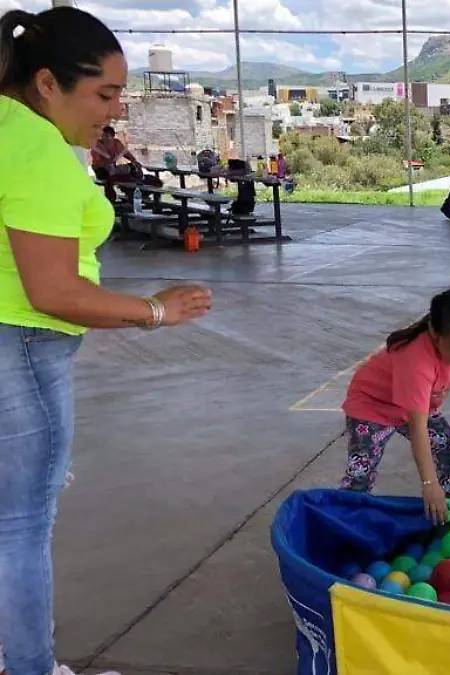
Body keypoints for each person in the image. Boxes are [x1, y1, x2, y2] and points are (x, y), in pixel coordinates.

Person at [0, 8, 213, 675]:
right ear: (45, 83)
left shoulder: (9, 127)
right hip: (25, 351)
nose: (115, 110)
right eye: (103, 94)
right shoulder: (32, 148)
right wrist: (152, 310)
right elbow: (53, 291)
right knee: (23, 524)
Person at [340, 288, 450, 523]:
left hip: (417, 406)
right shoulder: (416, 359)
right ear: (433, 331)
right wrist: (428, 483)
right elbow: (418, 428)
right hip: (372, 406)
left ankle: (438, 514)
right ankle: (344, 524)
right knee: (361, 475)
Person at [90, 125, 139, 202]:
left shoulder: (117, 143)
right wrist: (108, 166)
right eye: (102, 136)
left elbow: (127, 154)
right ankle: (110, 198)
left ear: (113, 136)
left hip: (112, 168)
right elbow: (97, 162)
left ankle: (130, 195)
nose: (104, 138)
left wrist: (135, 162)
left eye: (107, 136)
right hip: (100, 169)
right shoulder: (97, 145)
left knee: (131, 170)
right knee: (109, 175)